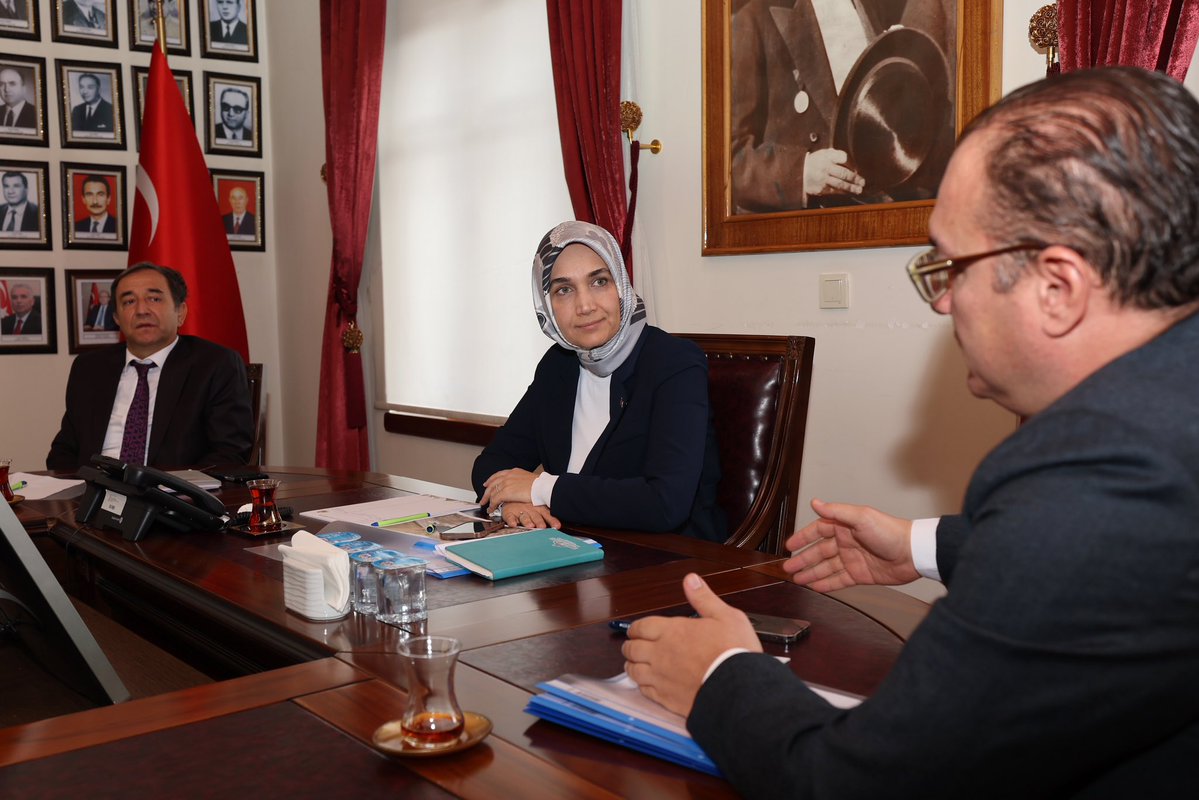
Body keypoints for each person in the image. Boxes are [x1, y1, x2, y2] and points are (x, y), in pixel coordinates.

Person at [623, 66, 1199, 796]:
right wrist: (922, 546)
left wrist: (717, 675)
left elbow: (854, 784)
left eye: (950, 267)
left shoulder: (1101, 469)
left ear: (1057, 287)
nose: (941, 303)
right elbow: (1133, 569)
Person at [472, 221, 726, 540]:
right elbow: (491, 463)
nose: (585, 306)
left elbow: (664, 503)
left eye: (599, 282)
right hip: (571, 551)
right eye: (564, 290)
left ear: (620, 284)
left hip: (668, 563)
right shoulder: (558, 366)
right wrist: (511, 501)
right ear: (546, 304)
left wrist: (540, 488)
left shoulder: (673, 363)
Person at [729, 0, 953, 213]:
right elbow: (729, 160)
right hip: (806, 230)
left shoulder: (874, 10)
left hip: (877, 217)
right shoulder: (752, 20)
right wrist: (802, 173)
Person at [48, 263, 253, 471]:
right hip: (94, 494)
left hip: (174, 496)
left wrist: (175, 491)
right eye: (129, 301)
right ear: (117, 318)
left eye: (154, 299)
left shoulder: (214, 364)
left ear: (180, 312)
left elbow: (229, 452)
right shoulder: (89, 368)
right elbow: (64, 450)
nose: (141, 310)